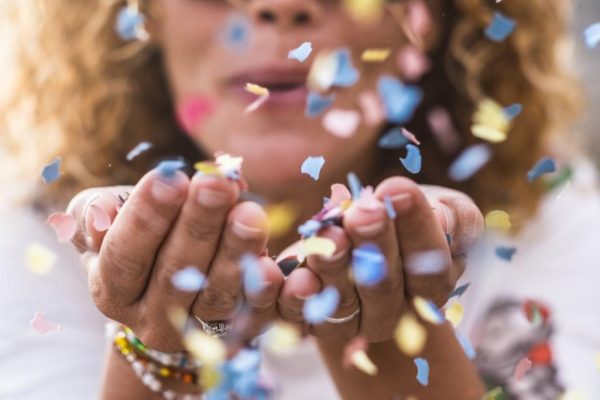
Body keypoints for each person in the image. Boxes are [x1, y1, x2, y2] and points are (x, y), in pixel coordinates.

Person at [1, 0, 598, 399]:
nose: (281, 5)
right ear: (143, 11)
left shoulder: (542, 214)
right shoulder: (33, 233)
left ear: (428, 16)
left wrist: (391, 339)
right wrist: (160, 355)